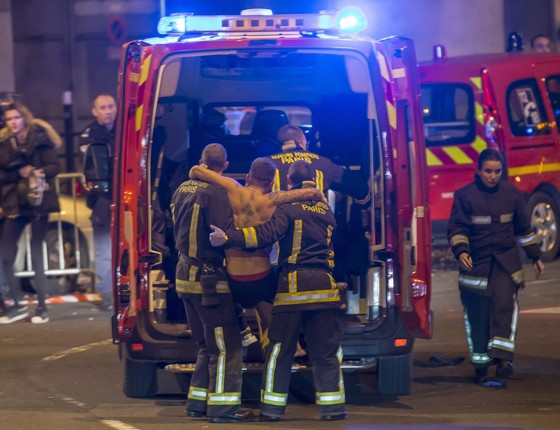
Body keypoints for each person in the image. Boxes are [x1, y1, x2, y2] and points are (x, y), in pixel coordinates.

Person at [210, 160, 347, 422]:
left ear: (289, 181)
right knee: (326, 351)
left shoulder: (287, 209)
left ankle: (272, 409)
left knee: (278, 351)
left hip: (294, 288)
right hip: (326, 288)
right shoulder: (326, 211)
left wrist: (229, 238)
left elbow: (264, 235)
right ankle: (334, 408)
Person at [189, 157, 324, 349]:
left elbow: (196, 171)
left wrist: (201, 165)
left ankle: (243, 331)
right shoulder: (273, 199)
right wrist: (315, 193)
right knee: (273, 313)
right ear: (270, 183)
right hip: (262, 277)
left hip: (234, 278)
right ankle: (284, 347)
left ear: (248, 176)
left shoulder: (233, 189)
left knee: (223, 288)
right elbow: (309, 193)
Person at [447, 148, 544, 387]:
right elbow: (457, 229)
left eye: (497, 171)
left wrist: (535, 256)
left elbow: (523, 229)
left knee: (505, 305)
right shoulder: (464, 196)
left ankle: (503, 361)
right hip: (476, 264)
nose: (493, 176)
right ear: (478, 171)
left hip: (506, 263)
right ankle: (481, 365)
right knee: (477, 316)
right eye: (488, 171)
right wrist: (462, 252)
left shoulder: (512, 194)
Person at [171, 143, 254, 423]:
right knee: (227, 345)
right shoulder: (218, 193)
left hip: (183, 275)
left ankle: (197, 403)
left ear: (201, 162)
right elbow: (223, 234)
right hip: (209, 280)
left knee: (206, 345)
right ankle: (223, 408)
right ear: (226, 166)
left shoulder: (181, 188)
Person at [0, 102, 62, 324]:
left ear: (24, 117)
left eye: (16, 117)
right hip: (15, 202)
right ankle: (16, 305)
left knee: (37, 254)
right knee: (5, 254)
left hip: (38, 201)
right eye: (9, 119)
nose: (13, 122)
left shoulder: (40, 138)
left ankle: (42, 308)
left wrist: (37, 171)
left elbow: (55, 167)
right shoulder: (4, 143)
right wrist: (19, 171)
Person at [79, 94, 117, 311]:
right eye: (103, 107)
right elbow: (94, 166)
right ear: (95, 112)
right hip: (102, 199)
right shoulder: (89, 135)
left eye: (111, 106)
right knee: (104, 250)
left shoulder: (124, 129)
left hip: (124, 197)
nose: (108, 111)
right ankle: (107, 295)